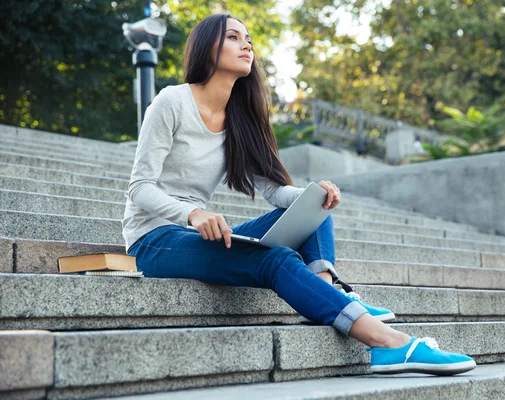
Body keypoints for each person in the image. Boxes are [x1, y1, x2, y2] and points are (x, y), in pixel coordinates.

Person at [122, 13, 476, 376]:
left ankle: (327, 293)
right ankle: (391, 344)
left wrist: (313, 193)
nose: (246, 45)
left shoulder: (240, 118)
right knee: (274, 260)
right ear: (206, 47)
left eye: (248, 40)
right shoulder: (172, 102)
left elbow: (274, 192)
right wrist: (192, 215)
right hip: (153, 240)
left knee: (314, 209)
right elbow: (140, 188)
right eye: (233, 37)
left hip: (195, 232)